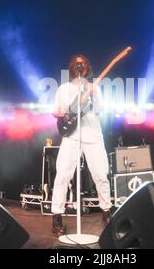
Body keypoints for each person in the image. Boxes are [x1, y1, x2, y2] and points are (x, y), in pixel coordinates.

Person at [51, 54, 112, 235]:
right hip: (71, 136)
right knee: (62, 175)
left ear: (87, 68)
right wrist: (59, 113)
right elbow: (55, 112)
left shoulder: (94, 88)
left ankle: (106, 212)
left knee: (101, 174)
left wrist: (94, 96)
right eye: (77, 64)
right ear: (72, 67)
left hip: (93, 135)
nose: (80, 66)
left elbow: (100, 110)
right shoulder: (63, 89)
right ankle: (57, 217)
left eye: (83, 64)